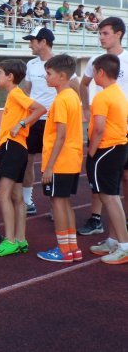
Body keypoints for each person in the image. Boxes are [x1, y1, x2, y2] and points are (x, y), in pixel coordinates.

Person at [0, 60, 46, 257]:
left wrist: (21, 124)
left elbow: (40, 109)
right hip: (18, 148)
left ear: (10, 76)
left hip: (12, 147)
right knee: (17, 197)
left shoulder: (15, 93)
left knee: (3, 195)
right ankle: (20, 239)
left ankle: (10, 240)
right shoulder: (13, 95)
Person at [21, 27, 80, 215]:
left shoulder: (61, 65)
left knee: (57, 162)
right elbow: (26, 92)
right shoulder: (31, 65)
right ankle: (27, 200)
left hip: (55, 121)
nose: (30, 44)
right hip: (36, 120)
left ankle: (58, 208)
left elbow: (76, 90)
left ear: (43, 42)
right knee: (28, 161)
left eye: (32, 40)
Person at [78, 16, 128, 236]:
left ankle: (122, 224)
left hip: (122, 125)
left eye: (105, 33)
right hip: (101, 123)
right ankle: (96, 218)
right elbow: (83, 83)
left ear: (118, 34)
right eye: (100, 33)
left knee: (123, 176)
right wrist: (86, 109)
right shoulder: (95, 60)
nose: (101, 37)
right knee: (98, 174)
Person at [36, 54, 83, 263]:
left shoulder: (63, 99)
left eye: (49, 74)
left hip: (61, 162)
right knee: (65, 203)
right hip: (70, 159)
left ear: (62, 76)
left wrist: (49, 167)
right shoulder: (72, 96)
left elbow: (61, 135)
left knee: (58, 204)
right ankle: (72, 248)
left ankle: (63, 250)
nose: (46, 77)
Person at [86, 54, 128, 265]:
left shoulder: (102, 97)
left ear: (100, 72)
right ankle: (114, 240)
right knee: (110, 197)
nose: (93, 75)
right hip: (117, 147)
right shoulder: (117, 93)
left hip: (106, 150)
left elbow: (99, 128)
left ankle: (124, 246)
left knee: (109, 197)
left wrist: (92, 152)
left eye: (93, 71)